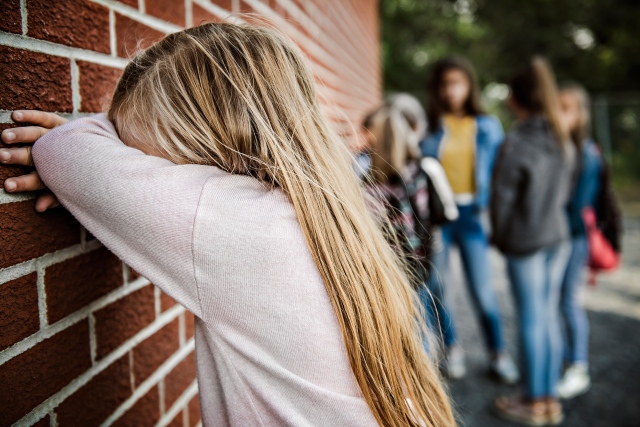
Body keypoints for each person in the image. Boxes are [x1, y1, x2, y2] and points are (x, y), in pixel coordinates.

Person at [0, 23, 455, 427]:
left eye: (138, 155)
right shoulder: (325, 208)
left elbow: (61, 151)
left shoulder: (236, 224)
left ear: (201, 150)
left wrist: (96, 136)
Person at [421, 57, 518, 383]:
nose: (451, 91)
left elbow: (502, 174)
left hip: (472, 217)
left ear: (469, 86)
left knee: (482, 291)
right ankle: (452, 348)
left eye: (458, 83)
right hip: (439, 218)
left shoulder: (487, 126)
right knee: (438, 288)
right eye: (445, 84)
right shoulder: (431, 127)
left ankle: (498, 352)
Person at [491, 57, 575, 425]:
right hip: (557, 236)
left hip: (525, 242)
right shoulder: (561, 136)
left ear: (516, 98)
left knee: (531, 319)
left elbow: (501, 200)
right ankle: (549, 399)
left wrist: (500, 237)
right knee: (547, 316)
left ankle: (532, 399)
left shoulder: (518, 141)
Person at [361, 94, 458, 353]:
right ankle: (435, 362)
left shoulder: (368, 184)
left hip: (389, 270)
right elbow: (434, 216)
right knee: (422, 322)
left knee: (406, 329)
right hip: (420, 263)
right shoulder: (419, 174)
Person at [556, 83, 603, 399]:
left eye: (566, 108)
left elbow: (578, 208)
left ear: (580, 114)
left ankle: (578, 365)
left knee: (569, 302)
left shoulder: (586, 153)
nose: (559, 114)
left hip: (572, 240)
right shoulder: (561, 148)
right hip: (560, 238)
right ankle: (564, 359)